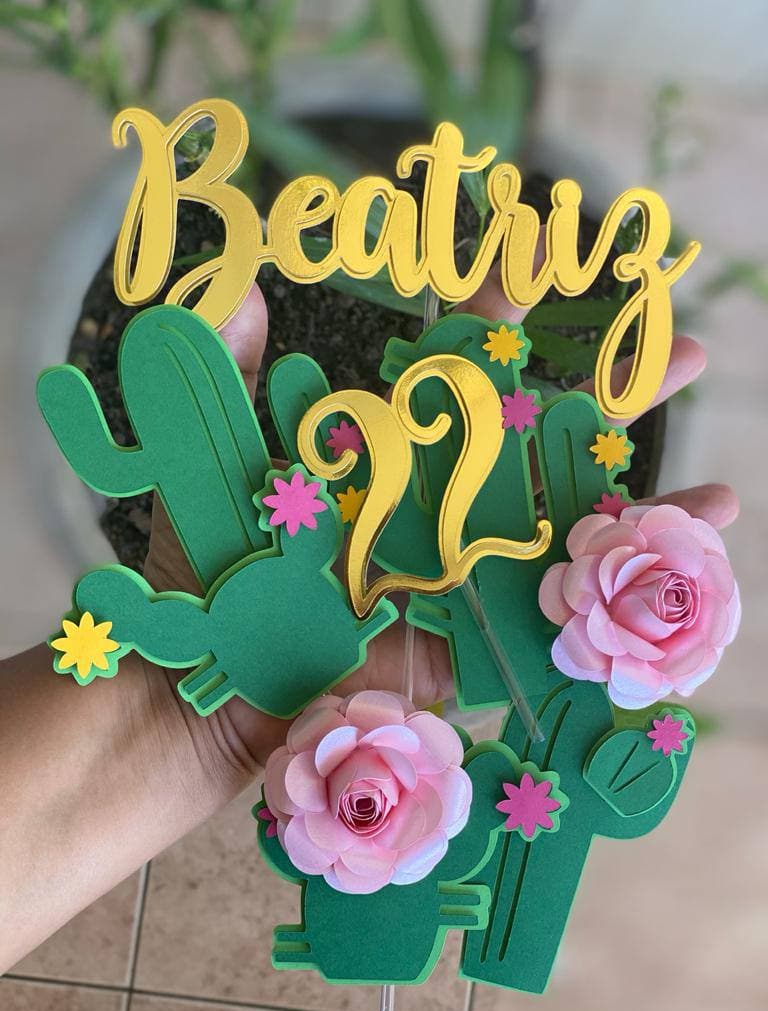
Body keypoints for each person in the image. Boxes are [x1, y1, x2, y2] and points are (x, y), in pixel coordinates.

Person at [0, 268, 738, 971]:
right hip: (279, 600)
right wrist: (165, 669)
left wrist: (159, 659)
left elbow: (163, 534)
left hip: (278, 604)